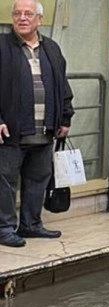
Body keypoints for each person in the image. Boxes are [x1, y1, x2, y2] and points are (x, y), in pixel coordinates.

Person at [0, 0, 74, 248]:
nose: (22, 18)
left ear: (39, 19)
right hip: (10, 132)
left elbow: (62, 86)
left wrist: (65, 117)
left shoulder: (51, 48)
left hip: (44, 131)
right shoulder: (1, 46)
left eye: (28, 14)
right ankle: (4, 228)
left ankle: (31, 225)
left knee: (38, 179)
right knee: (5, 182)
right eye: (17, 14)